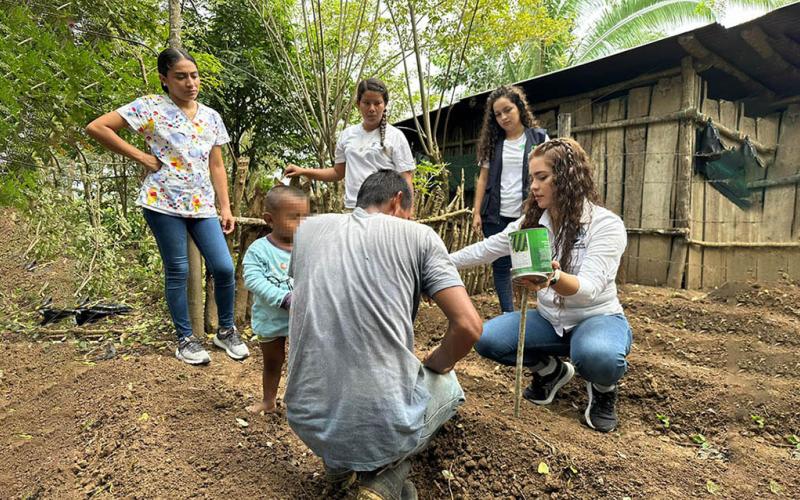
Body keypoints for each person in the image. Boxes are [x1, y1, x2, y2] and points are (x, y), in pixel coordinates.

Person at [284, 170, 483, 499]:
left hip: (307, 418)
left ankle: (338, 470)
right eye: (409, 213)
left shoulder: (309, 230)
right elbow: (469, 326)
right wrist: (436, 363)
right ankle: (385, 480)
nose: (408, 219)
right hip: (380, 423)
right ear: (398, 201)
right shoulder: (417, 235)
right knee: (449, 386)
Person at [451, 138, 632, 433]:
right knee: (487, 339)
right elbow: (488, 249)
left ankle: (602, 388)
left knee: (598, 356)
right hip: (550, 320)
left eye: (542, 177)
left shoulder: (605, 225)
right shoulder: (533, 220)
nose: (533, 186)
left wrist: (554, 278)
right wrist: (439, 263)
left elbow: (589, 289)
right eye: (531, 178)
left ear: (568, 176)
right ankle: (551, 371)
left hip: (595, 318)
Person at [85, 48, 248, 365]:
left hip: (202, 204)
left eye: (194, 75)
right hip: (162, 201)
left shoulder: (211, 116)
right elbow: (98, 127)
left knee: (224, 267)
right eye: (181, 76)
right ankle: (185, 340)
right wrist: (142, 157)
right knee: (178, 270)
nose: (190, 83)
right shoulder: (149, 107)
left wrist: (224, 207)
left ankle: (225, 331)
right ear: (164, 79)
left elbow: (216, 164)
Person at [284, 78, 415, 210]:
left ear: (385, 104)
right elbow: (337, 173)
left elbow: (406, 178)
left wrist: (408, 212)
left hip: (386, 210)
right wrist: (303, 171)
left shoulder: (395, 136)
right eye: (366, 103)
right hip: (354, 209)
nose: (372, 109)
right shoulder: (347, 135)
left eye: (377, 103)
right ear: (358, 104)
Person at [472, 85, 548, 313]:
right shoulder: (492, 144)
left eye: (508, 110)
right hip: (496, 213)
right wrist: (476, 211)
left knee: (532, 265)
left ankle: (540, 312)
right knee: (501, 266)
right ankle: (508, 313)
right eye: (498, 114)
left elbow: (549, 172)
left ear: (520, 108)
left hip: (529, 213)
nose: (504, 117)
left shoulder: (539, 138)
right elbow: (483, 179)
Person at [243, 186, 309, 414]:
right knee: (273, 360)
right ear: (269, 219)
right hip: (271, 318)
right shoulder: (258, 250)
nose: (301, 223)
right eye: (294, 217)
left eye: (305, 217)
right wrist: (284, 299)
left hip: (302, 319)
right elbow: (253, 280)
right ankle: (268, 400)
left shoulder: (308, 248)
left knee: (302, 361)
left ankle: (298, 402)